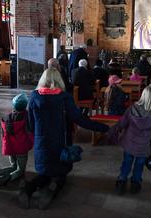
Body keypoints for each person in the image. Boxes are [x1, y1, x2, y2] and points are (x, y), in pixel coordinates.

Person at [18, 68, 109, 209]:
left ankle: (29, 188)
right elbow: (80, 119)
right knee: (61, 173)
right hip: (60, 143)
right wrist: (103, 127)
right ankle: (52, 189)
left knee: (44, 171)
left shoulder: (35, 96)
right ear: (58, 80)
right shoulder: (64, 97)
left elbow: (30, 125)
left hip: (41, 143)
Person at [108, 85, 151, 195]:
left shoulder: (132, 109)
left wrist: (112, 131)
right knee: (139, 166)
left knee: (126, 164)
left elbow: (122, 123)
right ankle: (135, 185)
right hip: (143, 148)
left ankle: (121, 182)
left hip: (129, 145)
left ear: (143, 96)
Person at [0, 93, 33, 188]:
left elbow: (3, 135)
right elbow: (30, 133)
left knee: (14, 166)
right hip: (21, 148)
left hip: (10, 148)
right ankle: (6, 179)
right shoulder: (27, 118)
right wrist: (33, 142)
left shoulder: (6, 118)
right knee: (20, 170)